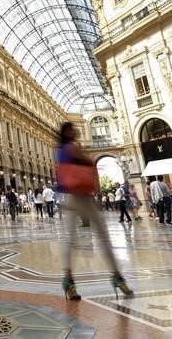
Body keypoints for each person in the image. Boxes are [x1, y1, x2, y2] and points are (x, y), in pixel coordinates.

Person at [57, 122, 132, 301]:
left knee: (75, 239)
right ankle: (115, 277)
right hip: (78, 196)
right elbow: (89, 162)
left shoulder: (64, 150)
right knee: (97, 237)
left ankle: (71, 280)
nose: (76, 130)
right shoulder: (70, 148)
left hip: (77, 196)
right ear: (68, 132)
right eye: (73, 128)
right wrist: (85, 157)